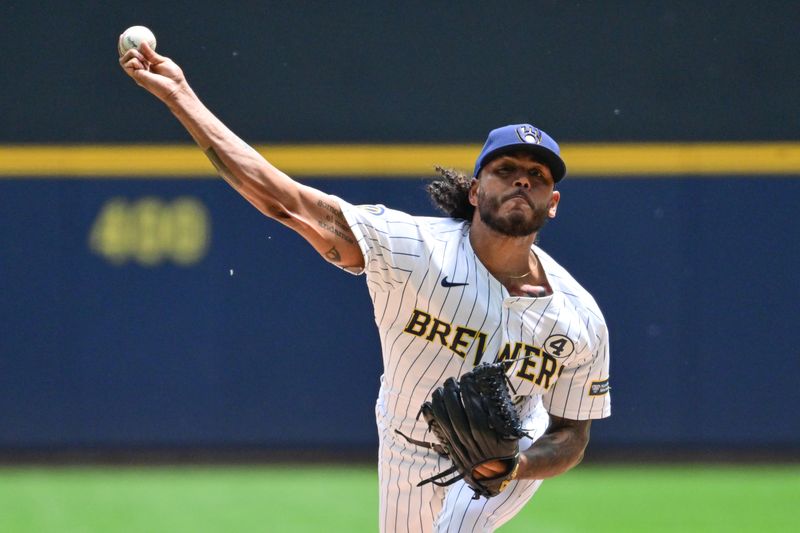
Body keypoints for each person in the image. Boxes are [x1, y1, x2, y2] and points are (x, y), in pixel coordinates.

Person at [120, 41, 611, 533]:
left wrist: (519, 466)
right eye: (506, 170)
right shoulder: (409, 248)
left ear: (553, 203)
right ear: (476, 190)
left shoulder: (578, 318)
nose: (522, 182)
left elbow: (571, 433)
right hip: (408, 450)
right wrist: (181, 95)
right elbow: (283, 200)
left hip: (512, 451)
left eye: (537, 176)